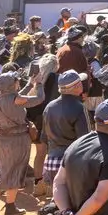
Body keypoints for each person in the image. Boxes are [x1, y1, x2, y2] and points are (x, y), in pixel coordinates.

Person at [0, 66, 46, 215]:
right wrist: (39, 84)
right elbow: (39, 99)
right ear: (11, 85)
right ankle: (10, 207)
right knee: (16, 172)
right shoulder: (15, 99)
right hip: (18, 140)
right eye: (16, 81)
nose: (18, 83)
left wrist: (30, 84)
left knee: (3, 171)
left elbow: (17, 95)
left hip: (4, 139)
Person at [43, 71, 93, 202]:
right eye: (80, 83)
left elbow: (44, 137)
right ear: (76, 87)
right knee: (72, 202)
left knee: (57, 201)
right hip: (71, 163)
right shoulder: (79, 107)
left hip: (52, 161)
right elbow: (85, 139)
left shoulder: (49, 107)